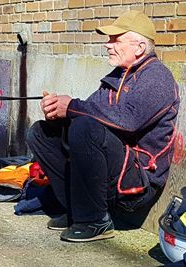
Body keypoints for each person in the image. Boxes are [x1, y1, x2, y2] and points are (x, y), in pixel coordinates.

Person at [27, 10, 180, 242]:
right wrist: (60, 112)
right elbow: (86, 112)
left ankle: (95, 220)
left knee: (85, 127)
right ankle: (76, 211)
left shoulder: (158, 77)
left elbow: (128, 121)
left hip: (137, 184)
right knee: (40, 133)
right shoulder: (116, 77)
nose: (108, 45)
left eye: (115, 39)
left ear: (139, 47)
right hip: (113, 170)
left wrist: (72, 107)